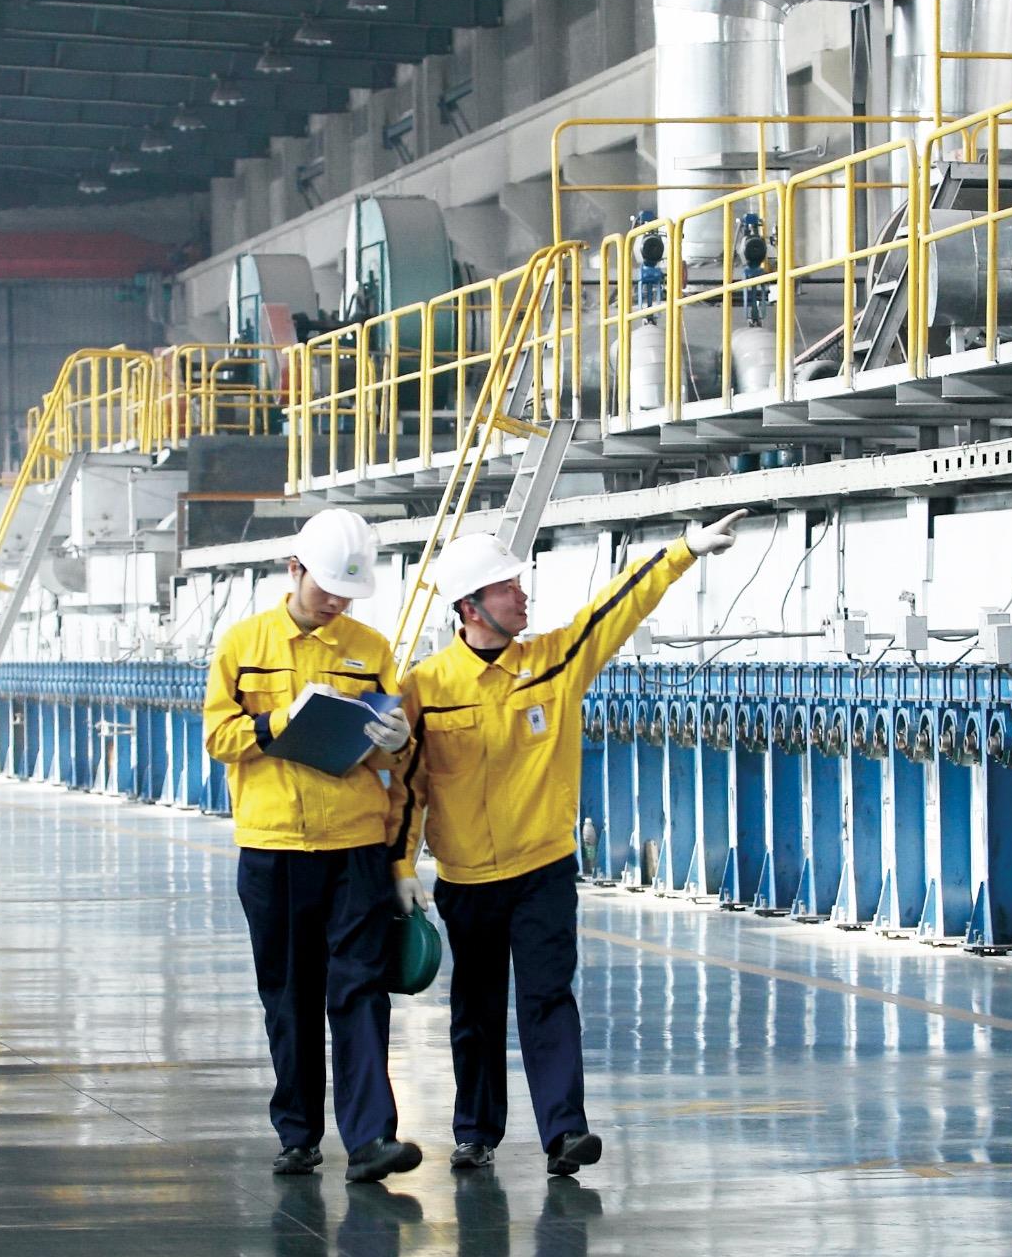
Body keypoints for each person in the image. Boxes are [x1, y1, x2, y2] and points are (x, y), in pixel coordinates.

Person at [401, 511, 745, 1177]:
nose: (521, 595)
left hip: (542, 872)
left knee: (548, 998)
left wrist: (684, 550)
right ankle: (475, 1133)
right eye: (507, 587)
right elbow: (407, 787)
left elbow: (616, 608)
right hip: (467, 880)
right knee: (475, 1010)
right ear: (471, 607)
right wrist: (399, 866)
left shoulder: (554, 661)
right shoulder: (426, 690)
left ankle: (564, 1132)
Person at [202, 506, 426, 1184]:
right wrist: (277, 722)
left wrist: (396, 741)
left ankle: (371, 1139)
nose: (335, 604)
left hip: (354, 846)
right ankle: (298, 1136)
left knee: (361, 989)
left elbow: (392, 749)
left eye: (346, 595)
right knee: (290, 994)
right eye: (326, 589)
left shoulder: (370, 649)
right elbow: (218, 737)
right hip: (273, 847)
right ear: (294, 569)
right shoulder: (242, 645)